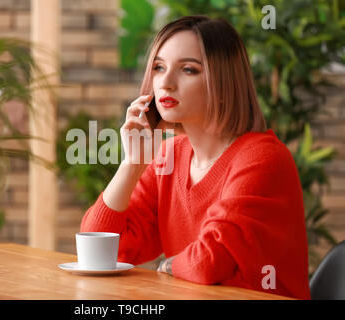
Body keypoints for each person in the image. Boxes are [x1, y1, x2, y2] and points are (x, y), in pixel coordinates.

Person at [80, 15, 311, 300]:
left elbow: (207, 262)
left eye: (188, 70)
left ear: (224, 83)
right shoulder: (170, 155)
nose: (165, 83)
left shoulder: (262, 158)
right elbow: (101, 250)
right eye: (158, 68)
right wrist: (131, 166)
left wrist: (167, 264)